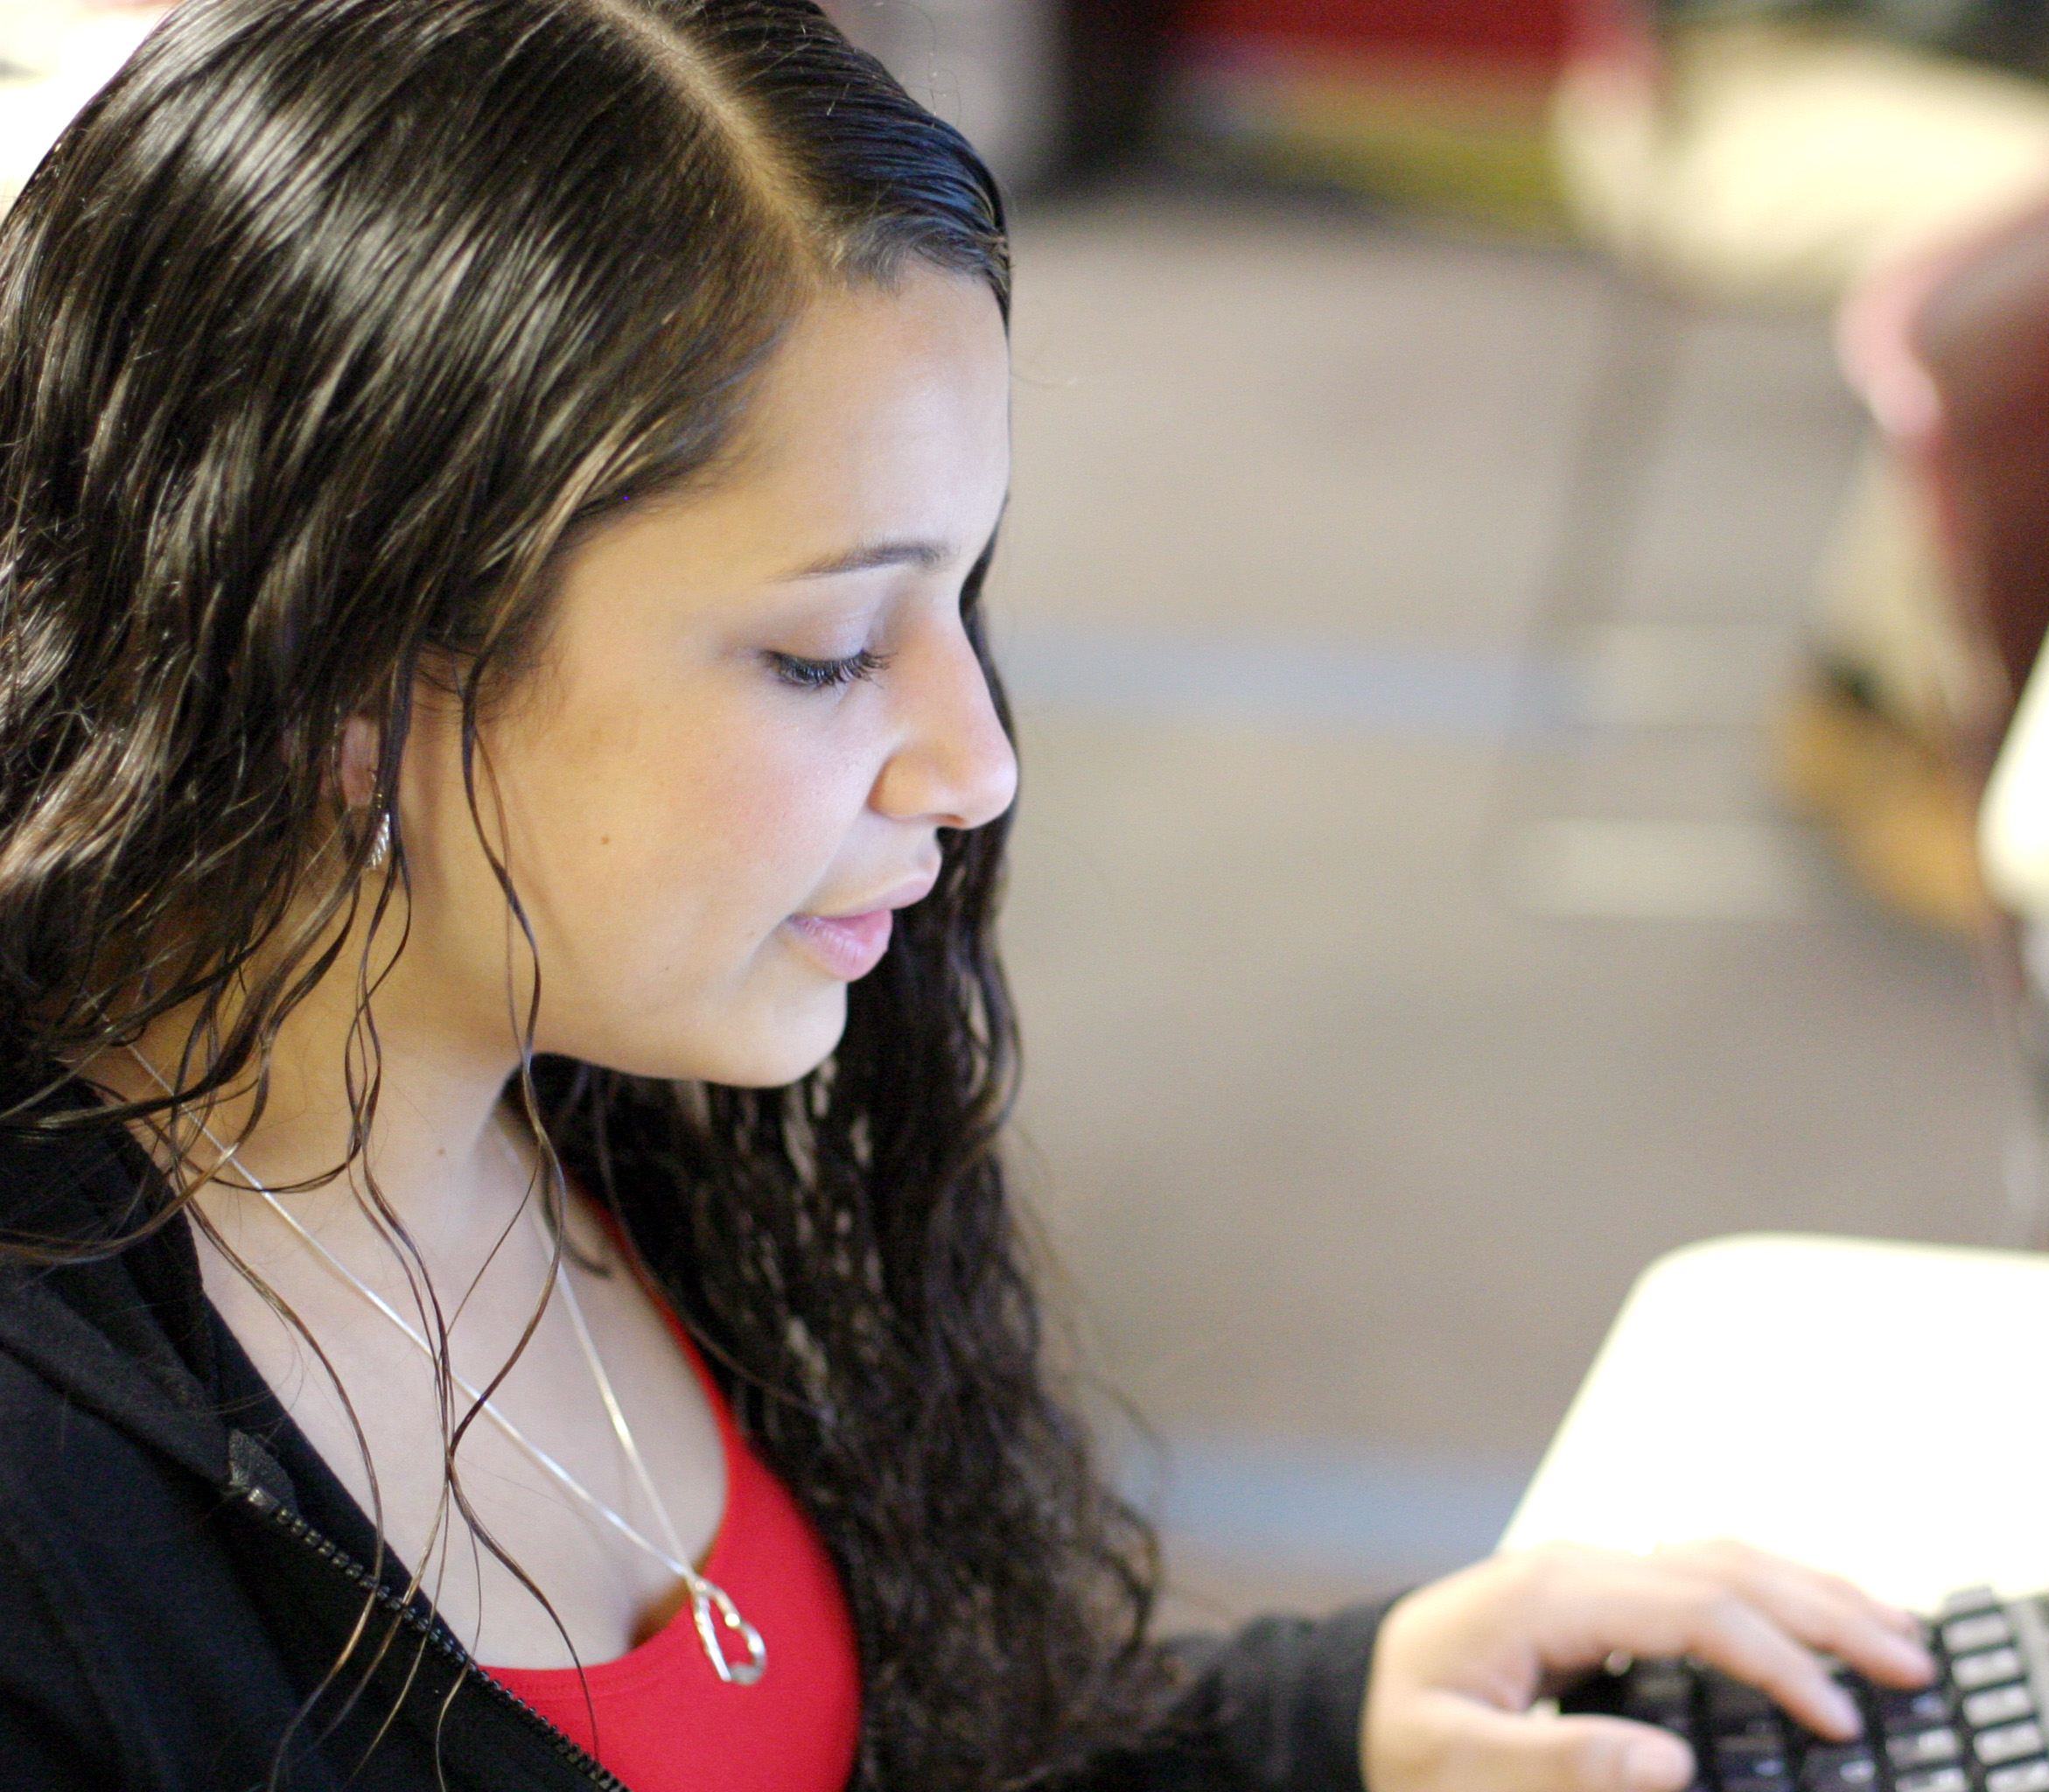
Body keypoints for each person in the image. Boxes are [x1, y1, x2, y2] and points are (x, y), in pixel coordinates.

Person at [0, 2, 1936, 1787]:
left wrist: (1313, 1728)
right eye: (832, 650)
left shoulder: (602, 1079)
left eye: (964, 593)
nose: (978, 757)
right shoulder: (55, 1535)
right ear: (345, 670)